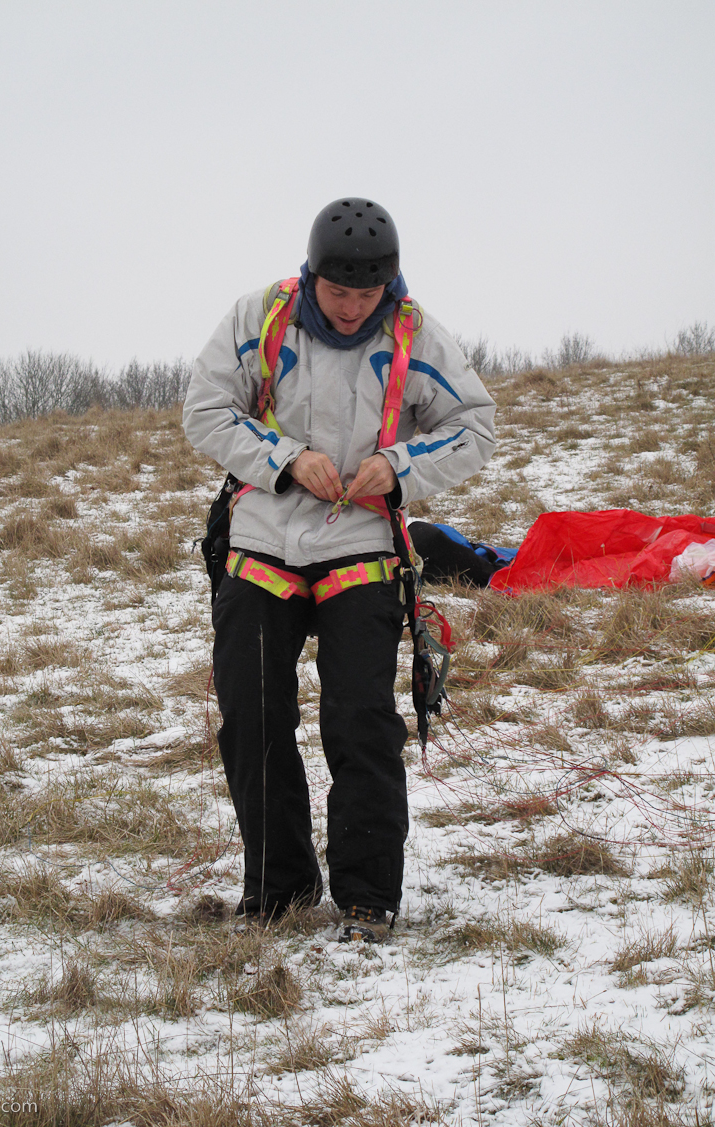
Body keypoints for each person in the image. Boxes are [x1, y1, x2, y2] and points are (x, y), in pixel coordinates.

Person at [183, 197, 496, 942]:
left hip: (360, 543)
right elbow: (205, 410)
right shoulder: (259, 317)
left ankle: (367, 895)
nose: (353, 308)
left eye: (368, 293)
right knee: (253, 715)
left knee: (360, 719)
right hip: (261, 539)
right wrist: (287, 459)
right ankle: (278, 888)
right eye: (337, 292)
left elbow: (474, 425)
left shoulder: (415, 333)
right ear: (310, 276)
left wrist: (398, 466)